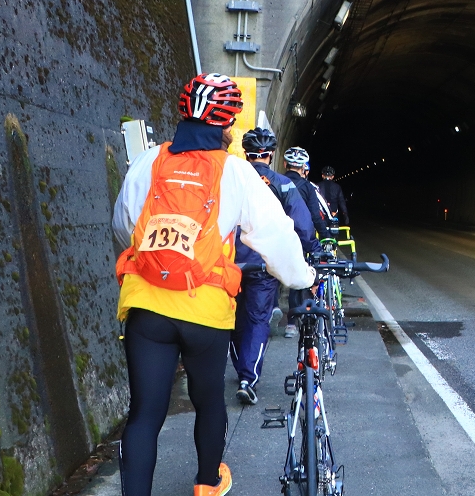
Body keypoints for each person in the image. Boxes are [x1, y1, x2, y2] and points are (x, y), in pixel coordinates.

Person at [113, 73, 316, 496]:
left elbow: (124, 225)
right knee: (208, 401)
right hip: (205, 310)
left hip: (147, 304)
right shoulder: (237, 173)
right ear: (227, 125)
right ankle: (207, 484)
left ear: (185, 112)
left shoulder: (149, 162)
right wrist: (303, 279)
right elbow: (274, 235)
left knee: (144, 414)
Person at [231, 127, 320, 405]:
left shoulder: (230, 182)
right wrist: (314, 251)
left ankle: (241, 368)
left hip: (229, 263)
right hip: (263, 264)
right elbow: (303, 224)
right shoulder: (282, 184)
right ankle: (248, 377)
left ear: (246, 154)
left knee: (232, 319)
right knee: (258, 318)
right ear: (271, 155)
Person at [283, 146, 329, 241]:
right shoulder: (308, 187)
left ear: (284, 164)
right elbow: (315, 216)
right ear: (304, 166)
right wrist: (327, 236)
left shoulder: (275, 181)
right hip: (301, 236)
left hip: (279, 235)